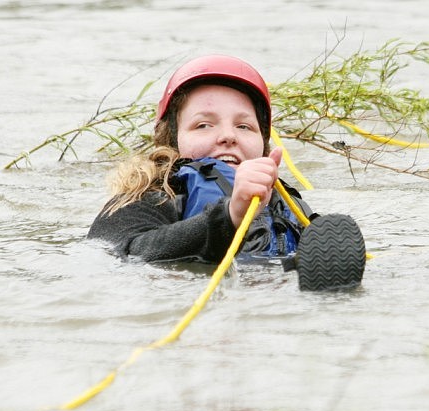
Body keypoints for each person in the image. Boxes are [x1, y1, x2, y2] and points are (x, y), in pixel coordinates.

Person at [87, 54, 312, 263]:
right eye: (203, 125)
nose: (228, 136)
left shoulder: (289, 204)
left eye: (244, 126)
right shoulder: (145, 197)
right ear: (172, 139)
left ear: (262, 143)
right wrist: (230, 215)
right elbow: (122, 250)